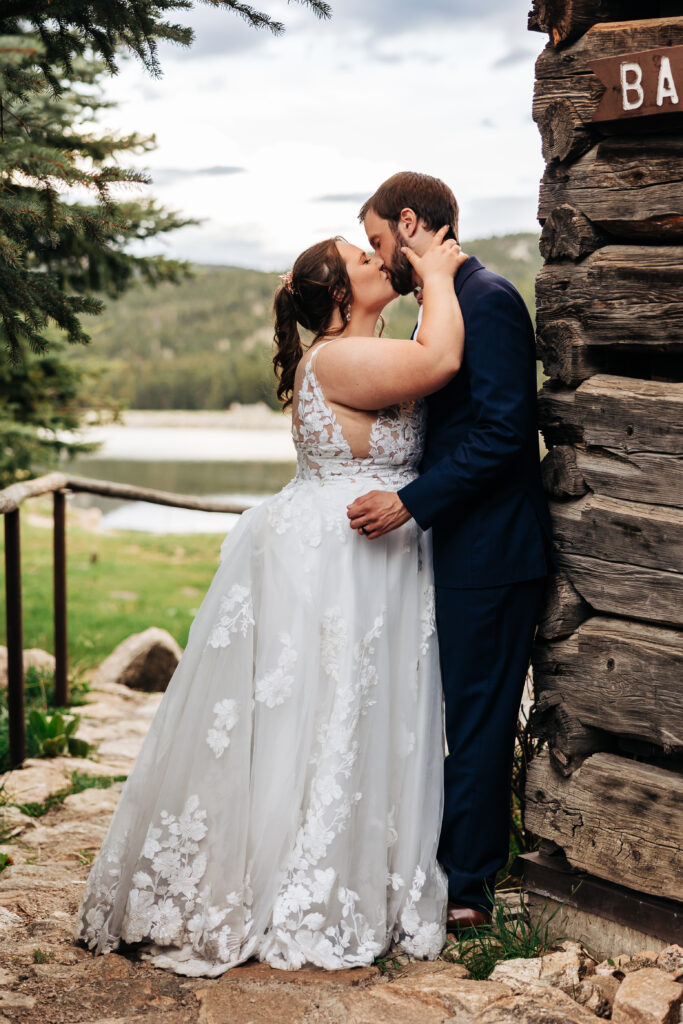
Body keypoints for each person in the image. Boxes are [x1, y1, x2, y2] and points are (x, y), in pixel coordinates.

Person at [73, 228, 468, 976]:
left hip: (358, 550)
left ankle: (337, 861)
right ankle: (303, 879)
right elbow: (439, 360)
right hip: (343, 557)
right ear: (343, 296)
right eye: (362, 258)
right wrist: (441, 272)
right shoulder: (341, 353)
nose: (378, 260)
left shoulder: (346, 350)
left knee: (334, 713)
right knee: (328, 711)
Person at [348, 171, 557, 931]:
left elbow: (505, 434)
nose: (381, 257)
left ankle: (467, 886)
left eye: (378, 241)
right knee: (446, 709)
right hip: (456, 547)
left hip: (492, 553)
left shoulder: (489, 299)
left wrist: (410, 501)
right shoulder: (444, 305)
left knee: (476, 716)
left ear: (410, 223)